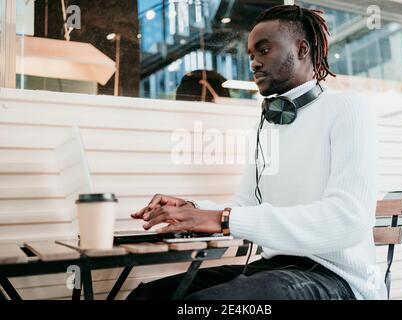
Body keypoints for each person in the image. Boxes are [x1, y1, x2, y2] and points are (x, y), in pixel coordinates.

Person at [127, 4, 386, 300]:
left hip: (338, 278)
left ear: (302, 49)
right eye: (251, 55)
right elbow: (246, 205)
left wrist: (222, 218)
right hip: (275, 268)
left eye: (264, 50)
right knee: (147, 296)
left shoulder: (347, 109)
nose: (253, 63)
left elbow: (348, 219)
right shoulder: (264, 128)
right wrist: (193, 209)